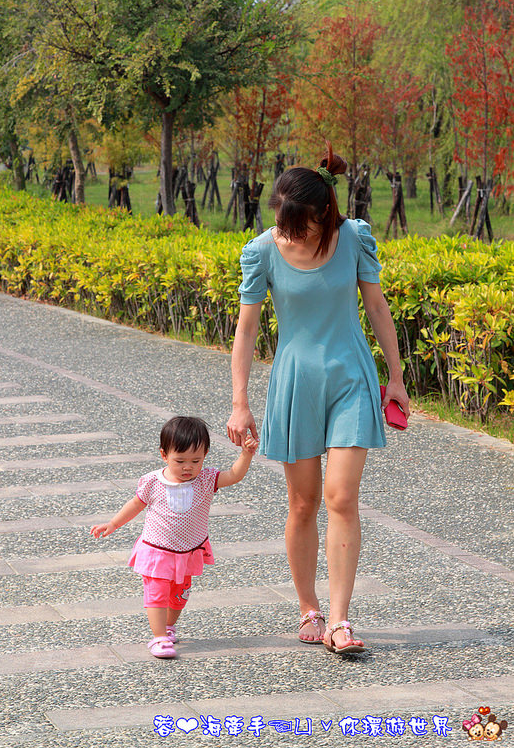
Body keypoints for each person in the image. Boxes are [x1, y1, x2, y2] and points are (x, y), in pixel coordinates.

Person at [226, 142, 410, 655]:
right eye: (283, 224)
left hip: (351, 379)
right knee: (303, 502)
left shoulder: (354, 238)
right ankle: (310, 608)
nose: (290, 234)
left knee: (342, 497)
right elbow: (246, 330)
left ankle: (341, 621)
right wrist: (240, 401)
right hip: (294, 384)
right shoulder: (262, 251)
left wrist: (396, 377)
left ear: (325, 214)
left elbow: (377, 307)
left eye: (301, 225)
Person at [91, 415, 258, 659]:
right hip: (157, 550)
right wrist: (113, 523)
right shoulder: (153, 482)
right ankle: (158, 637)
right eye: (179, 461)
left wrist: (246, 454)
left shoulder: (206, 479)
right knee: (157, 594)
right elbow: (136, 504)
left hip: (188, 550)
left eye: (195, 461)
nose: (187, 467)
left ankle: (168, 627)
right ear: (164, 455)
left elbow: (233, 475)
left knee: (179, 595)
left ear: (205, 455)